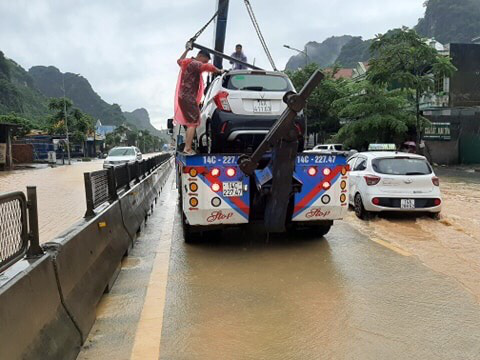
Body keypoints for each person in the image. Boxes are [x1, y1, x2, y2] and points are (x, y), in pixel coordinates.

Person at [174, 42, 222, 155]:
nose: (205, 63)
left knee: (191, 122)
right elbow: (207, 67)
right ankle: (188, 148)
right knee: (193, 122)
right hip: (189, 97)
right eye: (204, 60)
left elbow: (179, 61)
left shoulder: (187, 62)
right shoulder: (194, 63)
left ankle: (187, 146)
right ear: (200, 56)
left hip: (183, 96)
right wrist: (220, 71)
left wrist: (187, 50)